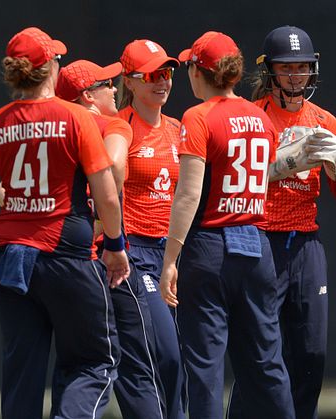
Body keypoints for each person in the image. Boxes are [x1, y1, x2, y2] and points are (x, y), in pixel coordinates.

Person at [0, 27, 130, 419]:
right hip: (67, 254)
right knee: (95, 361)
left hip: (11, 259)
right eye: (57, 59)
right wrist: (116, 247)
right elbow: (105, 194)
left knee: (23, 371)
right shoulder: (77, 118)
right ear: (50, 68)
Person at [159, 31, 295, 419]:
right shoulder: (260, 116)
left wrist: (171, 258)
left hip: (209, 246)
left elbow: (188, 194)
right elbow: (266, 174)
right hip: (255, 243)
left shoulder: (198, 116)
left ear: (200, 73)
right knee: (267, 360)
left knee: (205, 365)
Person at [228, 25, 336, 419]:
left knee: (312, 350)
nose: (296, 76)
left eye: (302, 67)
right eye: (287, 67)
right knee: (263, 351)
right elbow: (242, 183)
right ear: (270, 72)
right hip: (261, 239)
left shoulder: (326, 120)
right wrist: (286, 160)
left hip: (306, 244)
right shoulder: (253, 116)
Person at [56, 59, 166, 419]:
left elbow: (2, 193)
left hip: (60, 260)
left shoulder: (54, 130)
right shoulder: (110, 123)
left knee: (72, 366)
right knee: (137, 367)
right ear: (88, 95)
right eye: (106, 83)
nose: (114, 87)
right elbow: (116, 167)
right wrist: (102, 219)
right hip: (109, 259)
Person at [117, 39, 186, 419]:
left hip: (173, 252)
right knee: (164, 351)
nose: (163, 81)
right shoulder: (121, 128)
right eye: (152, 75)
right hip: (136, 252)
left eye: (168, 73)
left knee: (182, 358)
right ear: (130, 81)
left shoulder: (178, 129)